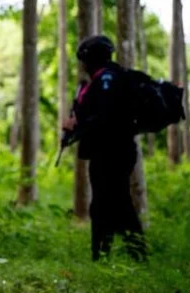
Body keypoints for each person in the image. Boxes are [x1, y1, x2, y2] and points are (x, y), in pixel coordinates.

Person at [63, 35, 148, 262]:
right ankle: (113, 254)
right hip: (111, 152)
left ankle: (112, 256)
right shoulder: (108, 79)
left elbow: (105, 118)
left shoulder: (107, 81)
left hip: (111, 153)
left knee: (108, 205)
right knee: (110, 204)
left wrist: (78, 125)